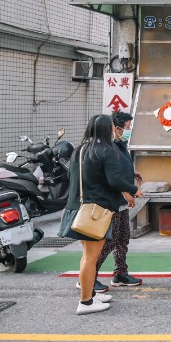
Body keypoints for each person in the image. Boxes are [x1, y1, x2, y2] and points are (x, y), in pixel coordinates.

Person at [58, 114, 140, 315]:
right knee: (90, 258)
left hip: (77, 208)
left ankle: (91, 294)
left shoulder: (80, 150)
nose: (115, 129)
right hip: (94, 211)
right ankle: (86, 302)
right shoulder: (106, 150)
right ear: (107, 129)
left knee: (88, 256)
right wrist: (133, 188)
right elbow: (114, 180)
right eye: (112, 127)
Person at [92, 111, 143, 290]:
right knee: (111, 240)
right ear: (116, 128)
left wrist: (133, 173)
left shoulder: (121, 145)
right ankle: (89, 276)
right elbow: (111, 177)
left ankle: (120, 273)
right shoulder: (110, 147)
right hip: (114, 201)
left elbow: (121, 168)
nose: (130, 130)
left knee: (122, 238)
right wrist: (126, 192)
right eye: (128, 127)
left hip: (121, 201)